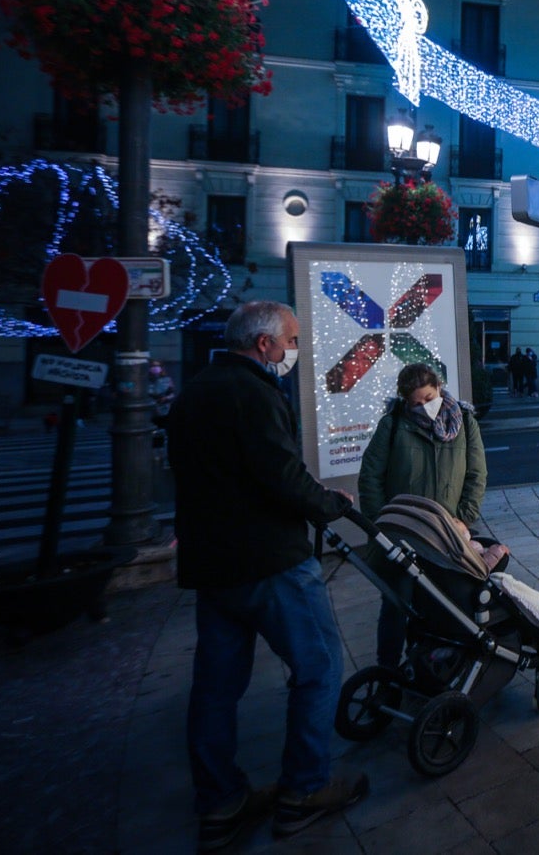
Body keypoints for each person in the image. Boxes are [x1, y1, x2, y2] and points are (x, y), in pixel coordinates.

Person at [167, 301, 366, 849]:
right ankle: (304, 790)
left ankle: (220, 802)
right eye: (292, 340)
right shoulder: (254, 393)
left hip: (213, 565)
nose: (293, 351)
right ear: (265, 345)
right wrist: (330, 504)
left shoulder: (194, 392)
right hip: (269, 560)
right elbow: (281, 475)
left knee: (215, 688)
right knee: (319, 668)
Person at [358, 363, 487, 669]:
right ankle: (387, 672)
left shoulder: (464, 420)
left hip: (446, 535)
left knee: (444, 602)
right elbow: (370, 479)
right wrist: (384, 526)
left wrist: (464, 519)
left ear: (439, 389)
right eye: (416, 403)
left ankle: (435, 664)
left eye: (429, 398)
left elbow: (476, 474)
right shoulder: (392, 426)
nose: (424, 407)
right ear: (405, 401)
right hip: (403, 535)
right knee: (396, 604)